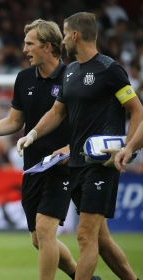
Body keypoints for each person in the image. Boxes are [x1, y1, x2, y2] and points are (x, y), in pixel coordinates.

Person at [0, 19, 92, 280]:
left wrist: (68, 148)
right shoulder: (23, 79)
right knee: (38, 239)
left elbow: (88, 126)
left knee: (45, 232)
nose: (24, 49)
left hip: (64, 167)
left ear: (48, 46)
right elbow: (14, 122)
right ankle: (82, 275)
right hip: (33, 167)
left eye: (29, 44)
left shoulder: (73, 77)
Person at [16, 12, 141, 280]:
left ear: (74, 35)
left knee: (84, 235)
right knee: (101, 239)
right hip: (76, 165)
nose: (61, 40)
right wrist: (33, 134)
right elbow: (57, 112)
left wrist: (128, 148)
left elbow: (137, 111)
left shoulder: (110, 70)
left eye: (63, 33)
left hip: (101, 164)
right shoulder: (71, 71)